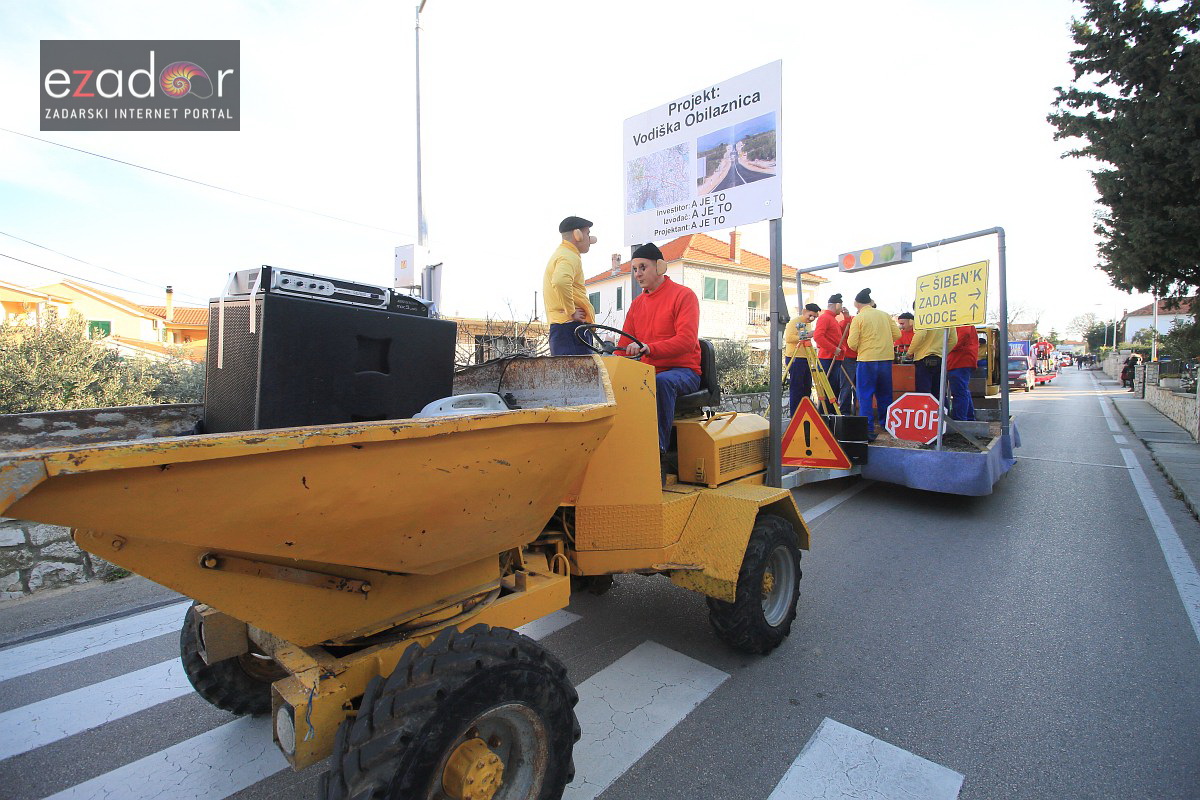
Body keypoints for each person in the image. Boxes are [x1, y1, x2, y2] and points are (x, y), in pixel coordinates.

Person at [616, 242, 701, 453]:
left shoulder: (683, 296)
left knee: (660, 383)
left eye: (643, 267)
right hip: (649, 371)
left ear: (660, 267)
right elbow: (623, 346)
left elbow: (687, 340)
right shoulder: (637, 304)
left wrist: (650, 348)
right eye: (635, 269)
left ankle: (657, 453)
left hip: (684, 371)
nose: (637, 274)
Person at [846, 288, 901, 441]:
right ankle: (887, 425)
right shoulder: (885, 315)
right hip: (885, 359)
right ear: (870, 302)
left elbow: (852, 343)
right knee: (885, 394)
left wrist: (864, 347)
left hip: (866, 360)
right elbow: (897, 334)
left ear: (856, 304)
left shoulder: (858, 318)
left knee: (865, 395)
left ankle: (867, 429)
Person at [543, 215, 597, 355]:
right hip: (570, 328)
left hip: (563, 328)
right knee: (580, 374)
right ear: (577, 234)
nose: (590, 239)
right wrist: (571, 311)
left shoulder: (561, 254)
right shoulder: (568, 256)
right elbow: (560, 281)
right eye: (588, 233)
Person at [785, 303, 822, 414]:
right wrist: (806, 335)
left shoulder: (808, 325)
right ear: (804, 311)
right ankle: (795, 414)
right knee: (797, 388)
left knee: (806, 388)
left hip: (806, 358)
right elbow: (789, 338)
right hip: (795, 358)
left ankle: (804, 412)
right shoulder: (794, 322)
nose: (812, 319)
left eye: (815, 317)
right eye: (811, 315)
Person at [909, 325, 959, 403]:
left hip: (923, 358)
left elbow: (920, 335)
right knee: (939, 393)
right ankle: (942, 414)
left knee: (923, 393)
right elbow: (954, 340)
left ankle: (926, 413)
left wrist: (910, 352)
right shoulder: (948, 318)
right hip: (940, 359)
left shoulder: (924, 315)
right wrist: (943, 352)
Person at [813, 294, 845, 404]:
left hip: (835, 357)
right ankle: (826, 414)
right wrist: (833, 349)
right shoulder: (825, 318)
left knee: (834, 387)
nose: (841, 309)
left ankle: (831, 413)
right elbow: (818, 336)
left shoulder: (833, 319)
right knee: (828, 389)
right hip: (828, 358)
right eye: (840, 306)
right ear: (836, 305)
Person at [946, 324, 979, 421]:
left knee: (959, 391)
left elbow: (962, 336)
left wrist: (944, 349)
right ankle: (968, 419)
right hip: (960, 361)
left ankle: (960, 421)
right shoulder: (962, 320)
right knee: (962, 391)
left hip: (959, 360)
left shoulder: (962, 320)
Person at [835, 306, 857, 413]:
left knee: (859, 387)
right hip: (848, 358)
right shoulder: (849, 321)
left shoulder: (865, 323)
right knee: (846, 386)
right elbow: (840, 331)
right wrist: (847, 318)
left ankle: (858, 411)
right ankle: (845, 412)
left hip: (862, 358)